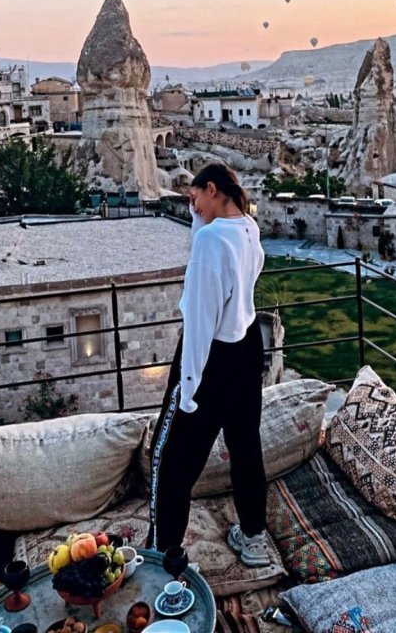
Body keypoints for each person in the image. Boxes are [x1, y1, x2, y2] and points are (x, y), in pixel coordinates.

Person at [147, 163, 270, 565]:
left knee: (172, 460)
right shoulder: (247, 228)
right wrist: (201, 222)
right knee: (245, 446)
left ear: (212, 188)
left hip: (212, 356)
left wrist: (187, 388)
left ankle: (164, 552)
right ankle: (253, 537)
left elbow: (200, 320)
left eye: (195, 198)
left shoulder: (211, 240)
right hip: (247, 347)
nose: (192, 207)